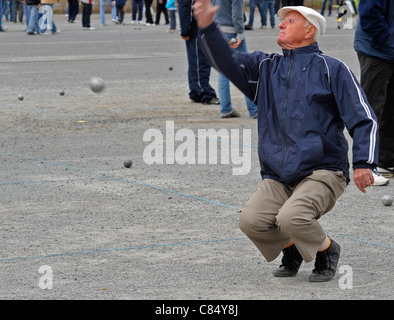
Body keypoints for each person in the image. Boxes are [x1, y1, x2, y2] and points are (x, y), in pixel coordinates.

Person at [194, 2, 378, 282]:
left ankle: (326, 249)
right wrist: (208, 26)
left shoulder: (332, 69)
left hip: (323, 171)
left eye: (290, 21)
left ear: (309, 31)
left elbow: (363, 117)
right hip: (278, 176)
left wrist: (364, 162)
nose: (281, 24)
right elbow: (225, 62)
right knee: (251, 221)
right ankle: (290, 248)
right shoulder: (265, 67)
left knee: (291, 217)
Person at [354, 0, 394, 182]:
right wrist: (384, 39)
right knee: (371, 110)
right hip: (377, 51)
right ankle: (366, 165)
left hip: (389, 50)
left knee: (390, 109)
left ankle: (386, 160)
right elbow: (369, 13)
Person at [212, 0, 257, 118]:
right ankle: (253, 109)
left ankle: (226, 108)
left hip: (218, 29)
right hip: (232, 31)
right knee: (245, 69)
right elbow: (236, 11)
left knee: (223, 71)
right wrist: (240, 33)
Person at [178, 0, 219, 104]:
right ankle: (205, 93)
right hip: (196, 26)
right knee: (199, 60)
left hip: (201, 23)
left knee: (195, 60)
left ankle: (195, 92)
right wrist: (185, 29)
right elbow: (185, 6)